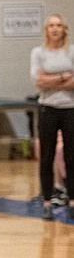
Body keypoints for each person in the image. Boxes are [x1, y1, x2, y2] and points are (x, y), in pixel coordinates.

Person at [31, 14, 74, 218]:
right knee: (46, 155)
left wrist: (51, 79)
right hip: (47, 108)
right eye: (51, 25)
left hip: (69, 108)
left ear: (63, 29)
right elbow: (38, 82)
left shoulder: (71, 51)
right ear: (46, 29)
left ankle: (72, 199)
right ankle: (47, 200)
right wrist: (64, 77)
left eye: (58, 25)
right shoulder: (38, 53)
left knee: (71, 155)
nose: (55, 29)